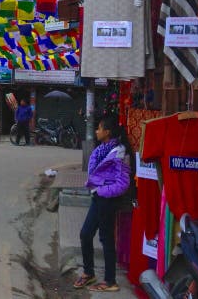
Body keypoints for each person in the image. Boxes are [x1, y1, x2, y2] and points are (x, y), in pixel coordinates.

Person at [73, 117, 132, 293]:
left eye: (99, 128)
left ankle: (110, 281)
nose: (96, 131)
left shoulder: (119, 153)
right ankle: (89, 272)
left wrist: (102, 191)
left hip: (108, 200)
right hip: (98, 198)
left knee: (106, 239)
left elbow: (123, 183)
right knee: (85, 234)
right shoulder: (101, 150)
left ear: (108, 132)